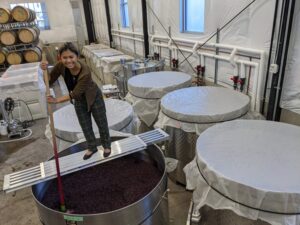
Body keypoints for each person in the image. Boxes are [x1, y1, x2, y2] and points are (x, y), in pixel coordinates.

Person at [41, 42, 111, 160]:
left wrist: (56, 100)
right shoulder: (60, 66)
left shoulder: (85, 71)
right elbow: (49, 80)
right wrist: (45, 70)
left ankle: (107, 146)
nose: (68, 61)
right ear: (60, 58)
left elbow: (75, 93)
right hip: (79, 100)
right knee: (85, 124)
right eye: (65, 57)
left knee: (101, 122)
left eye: (71, 57)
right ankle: (92, 147)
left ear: (77, 57)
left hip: (93, 97)